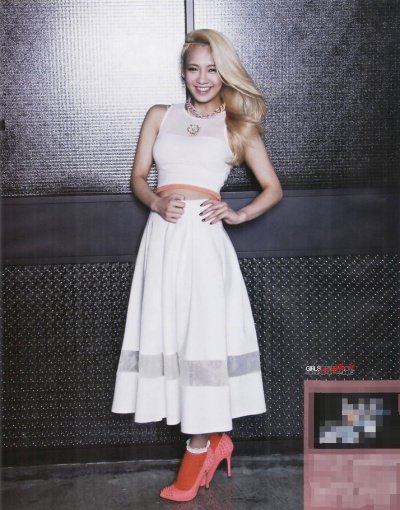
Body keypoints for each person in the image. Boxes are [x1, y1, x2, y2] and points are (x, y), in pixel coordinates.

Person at [111, 28, 283, 502]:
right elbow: (138, 177)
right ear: (183, 72)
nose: (203, 79)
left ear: (223, 73)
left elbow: (273, 188)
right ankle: (215, 439)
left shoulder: (237, 126)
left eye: (212, 69)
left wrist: (238, 213)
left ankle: (200, 445)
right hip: (162, 239)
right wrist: (154, 202)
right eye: (194, 69)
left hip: (205, 245)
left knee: (202, 339)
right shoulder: (159, 115)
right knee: (170, 336)